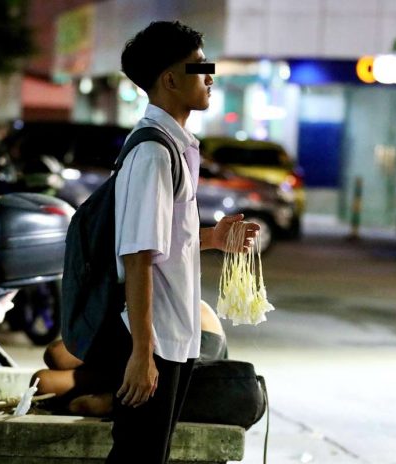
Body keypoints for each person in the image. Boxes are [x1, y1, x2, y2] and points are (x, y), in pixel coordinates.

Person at [84, 21, 259, 463]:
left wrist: (214, 238)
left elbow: (162, 242)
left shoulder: (172, 148)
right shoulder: (154, 153)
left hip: (171, 337)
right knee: (137, 456)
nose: (210, 76)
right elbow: (138, 256)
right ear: (169, 79)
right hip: (153, 338)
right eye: (200, 66)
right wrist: (142, 353)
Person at [31, 301, 228, 417]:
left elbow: (84, 405)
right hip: (146, 337)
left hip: (192, 340)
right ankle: (120, 377)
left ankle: (122, 382)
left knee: (51, 380)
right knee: (48, 372)